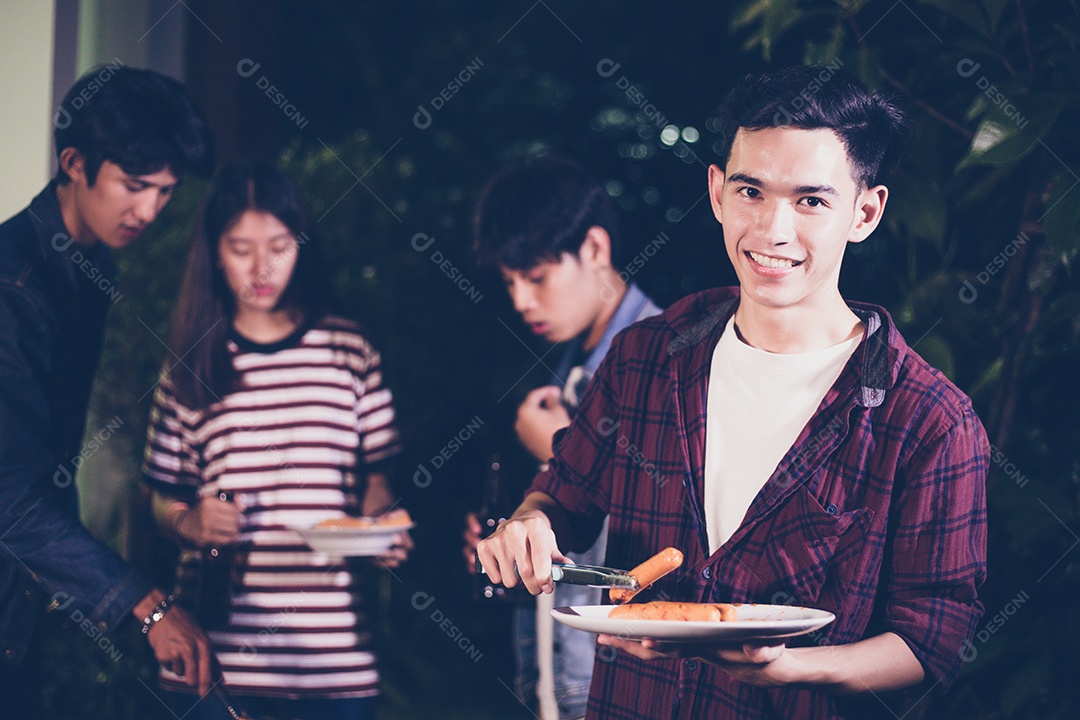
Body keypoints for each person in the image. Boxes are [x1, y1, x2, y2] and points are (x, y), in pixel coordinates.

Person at [478, 65, 989, 719]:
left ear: (864, 212)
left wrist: (792, 668)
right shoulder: (644, 357)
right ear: (718, 192)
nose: (773, 230)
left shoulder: (929, 420)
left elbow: (933, 639)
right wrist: (527, 525)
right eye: (752, 190)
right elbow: (563, 495)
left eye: (811, 201)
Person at [143, 160, 410, 720]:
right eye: (241, 249)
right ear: (215, 252)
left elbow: (377, 482)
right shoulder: (191, 364)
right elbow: (161, 497)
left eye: (279, 246)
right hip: (213, 657)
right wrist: (190, 521)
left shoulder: (348, 349)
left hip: (332, 660)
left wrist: (383, 527)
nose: (260, 268)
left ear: (301, 246)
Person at [0, 66, 216, 716]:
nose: (149, 210)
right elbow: (8, 493)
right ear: (74, 163)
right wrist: (146, 606)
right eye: (134, 185)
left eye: (166, 192)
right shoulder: (14, 286)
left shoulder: (89, 264)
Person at [464, 156, 661, 719]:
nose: (522, 301)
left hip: (622, 675)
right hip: (561, 673)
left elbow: (675, 506)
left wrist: (558, 444)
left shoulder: (664, 355)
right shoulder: (570, 369)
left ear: (595, 250)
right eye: (510, 282)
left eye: (536, 277)